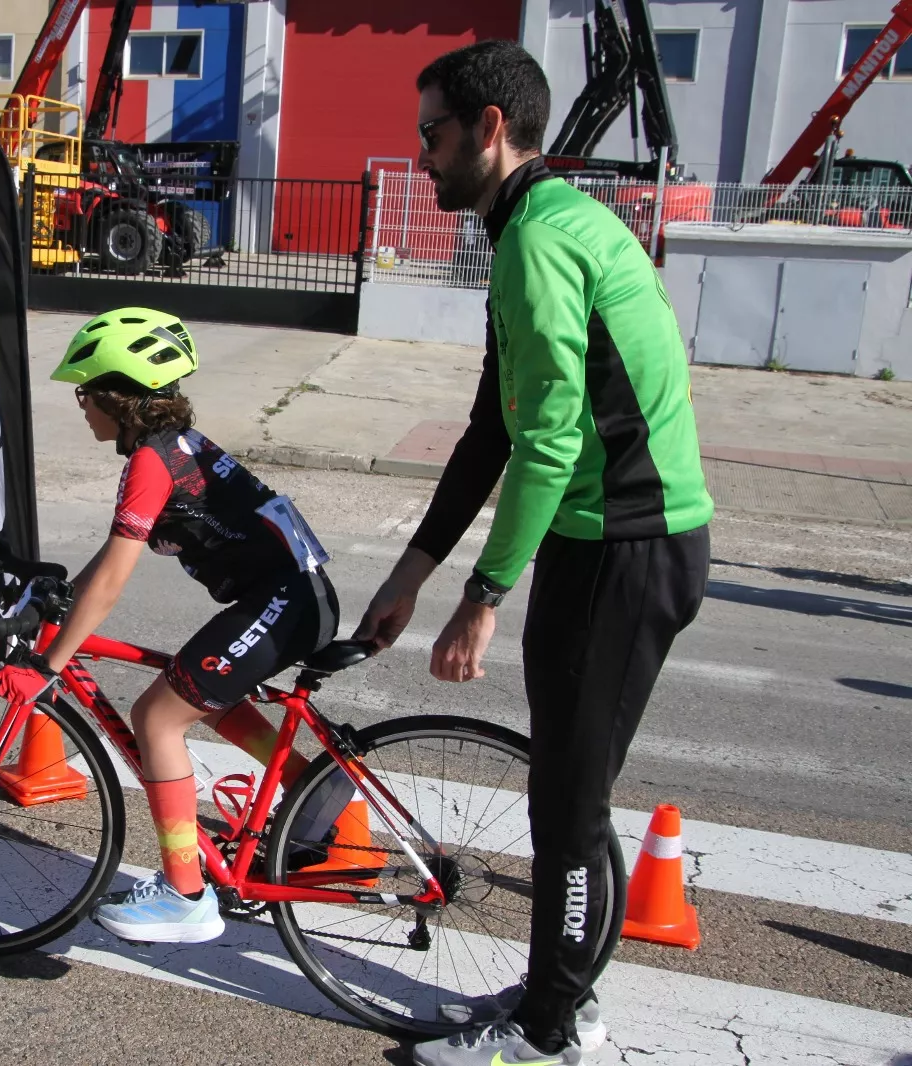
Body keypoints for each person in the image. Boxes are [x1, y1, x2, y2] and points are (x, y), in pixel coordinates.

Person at [353, 41, 714, 1066]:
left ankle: (546, 1034)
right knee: (570, 791)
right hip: (609, 541)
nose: (420, 154)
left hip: (623, 547)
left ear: (489, 128)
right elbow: (491, 429)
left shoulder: (539, 241)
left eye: (431, 132)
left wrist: (484, 593)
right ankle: (566, 992)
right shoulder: (544, 223)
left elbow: (549, 438)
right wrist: (412, 574)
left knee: (566, 803)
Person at [0, 307, 339, 944]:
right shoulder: (174, 445)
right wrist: (62, 598)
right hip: (295, 595)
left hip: (285, 602)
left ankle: (185, 895)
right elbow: (109, 559)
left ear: (116, 397)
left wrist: (46, 667)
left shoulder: (151, 464)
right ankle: (310, 786)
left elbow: (114, 578)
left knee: (155, 717)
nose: (81, 406)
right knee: (196, 690)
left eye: (85, 393)